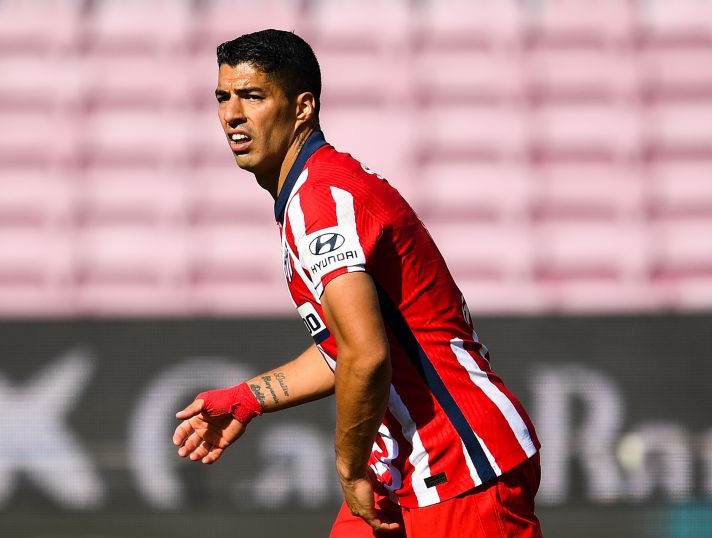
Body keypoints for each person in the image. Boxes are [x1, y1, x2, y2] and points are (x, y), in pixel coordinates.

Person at [173, 29, 543, 537]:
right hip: (403, 469)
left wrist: (347, 469)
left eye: (253, 96)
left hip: (460, 465)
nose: (232, 114)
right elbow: (347, 349)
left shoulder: (320, 199)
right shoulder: (313, 192)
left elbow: (366, 357)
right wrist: (250, 396)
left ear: (303, 108)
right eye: (223, 97)